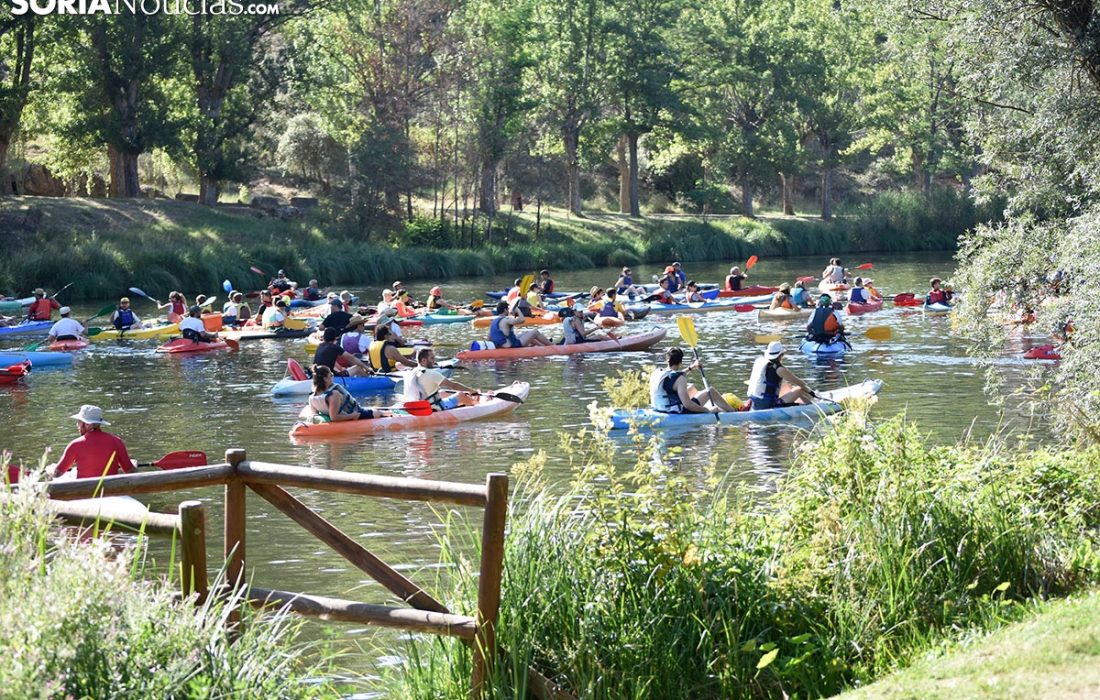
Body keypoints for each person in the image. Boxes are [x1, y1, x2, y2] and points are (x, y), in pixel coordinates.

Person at [47, 405, 135, 480]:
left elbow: (57, 474)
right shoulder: (117, 441)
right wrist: (134, 464)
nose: (77, 425)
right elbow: (130, 471)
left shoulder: (75, 445)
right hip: (110, 490)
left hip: (84, 491)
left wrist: (50, 469)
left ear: (87, 424)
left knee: (69, 474)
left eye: (79, 422)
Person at [649, 347, 736, 414]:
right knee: (711, 391)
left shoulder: (659, 373)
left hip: (660, 409)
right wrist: (708, 410)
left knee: (691, 388)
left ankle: (723, 410)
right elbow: (688, 405)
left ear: (667, 360)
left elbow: (675, 376)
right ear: (680, 362)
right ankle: (734, 413)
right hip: (678, 412)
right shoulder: (680, 379)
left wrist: (692, 367)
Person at [403, 347, 478, 411]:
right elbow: (453, 385)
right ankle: (478, 405)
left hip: (413, 407)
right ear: (423, 360)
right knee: (461, 395)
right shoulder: (432, 373)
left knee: (442, 392)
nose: (434, 361)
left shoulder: (410, 373)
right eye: (432, 358)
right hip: (432, 408)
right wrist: (471, 391)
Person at [308, 365, 391, 423]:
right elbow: (334, 418)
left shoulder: (312, 397)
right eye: (331, 375)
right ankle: (387, 414)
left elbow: (314, 415)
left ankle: (383, 412)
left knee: (374, 409)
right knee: (377, 413)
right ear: (325, 379)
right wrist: (353, 416)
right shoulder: (333, 394)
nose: (333, 377)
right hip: (353, 414)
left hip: (350, 413)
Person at [747, 342, 817, 409]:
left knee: (787, 387)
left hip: (755, 403)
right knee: (799, 390)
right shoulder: (779, 369)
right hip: (769, 405)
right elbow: (800, 383)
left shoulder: (762, 364)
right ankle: (816, 407)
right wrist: (811, 393)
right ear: (781, 355)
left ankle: (812, 402)